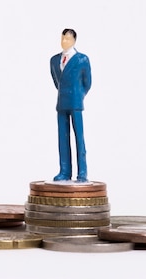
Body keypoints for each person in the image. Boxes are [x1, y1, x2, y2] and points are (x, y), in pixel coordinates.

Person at [50, 28, 92, 182]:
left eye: (67, 39)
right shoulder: (54, 60)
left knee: (79, 137)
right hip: (61, 102)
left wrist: (78, 95)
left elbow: (87, 82)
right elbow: (56, 81)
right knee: (63, 138)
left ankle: (82, 172)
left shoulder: (82, 59)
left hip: (75, 102)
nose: (64, 42)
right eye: (62, 38)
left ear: (74, 40)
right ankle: (64, 170)